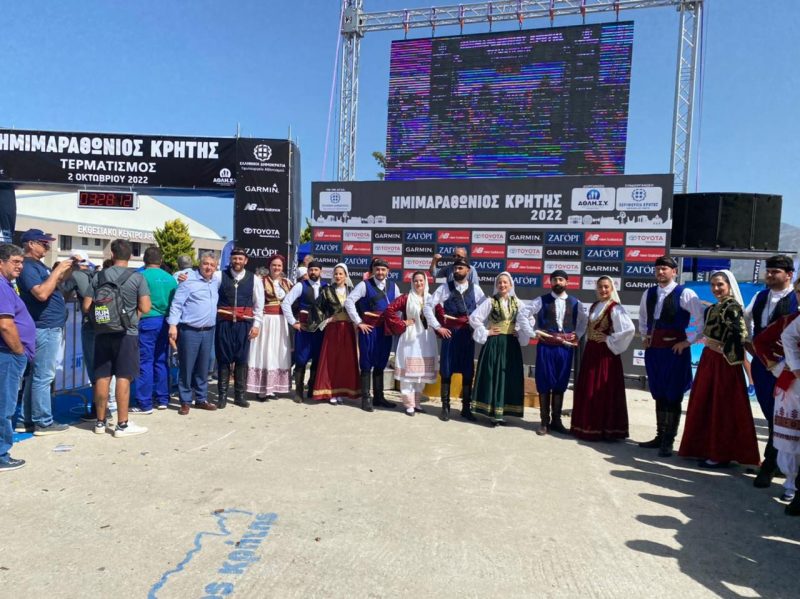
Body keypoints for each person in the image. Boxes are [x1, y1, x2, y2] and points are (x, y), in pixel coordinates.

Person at [678, 270, 760, 467]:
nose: (716, 288)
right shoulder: (715, 307)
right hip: (709, 360)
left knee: (721, 406)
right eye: (713, 285)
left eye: (720, 284)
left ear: (729, 285)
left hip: (723, 364)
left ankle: (720, 453)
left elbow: (740, 336)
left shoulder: (733, 307)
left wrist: (723, 350)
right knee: (706, 404)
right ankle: (705, 448)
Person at [637, 256, 705, 457]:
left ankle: (669, 440)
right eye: (658, 269)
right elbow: (643, 317)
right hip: (655, 350)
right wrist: (645, 336)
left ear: (674, 272)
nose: (660, 272)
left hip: (675, 351)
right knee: (658, 392)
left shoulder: (685, 293)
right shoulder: (649, 293)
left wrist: (687, 342)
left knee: (673, 394)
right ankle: (660, 435)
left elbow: (700, 321)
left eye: (664, 269)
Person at [84, 239, 151, 437]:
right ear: (130, 256)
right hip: (127, 333)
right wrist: (132, 317)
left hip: (102, 332)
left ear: (112, 254)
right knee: (124, 376)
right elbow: (146, 307)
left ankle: (100, 422)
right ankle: (122, 424)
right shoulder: (137, 278)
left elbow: (86, 306)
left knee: (102, 376)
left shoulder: (99, 276)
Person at [744, 255, 797, 487]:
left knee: (782, 415)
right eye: (768, 270)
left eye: (775, 271)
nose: (770, 274)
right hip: (762, 363)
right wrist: (749, 342)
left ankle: (771, 463)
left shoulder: (795, 298)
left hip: (788, 366)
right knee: (768, 410)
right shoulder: (760, 296)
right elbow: (746, 319)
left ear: (789, 275)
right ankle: (777, 461)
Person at [16, 228, 75, 435]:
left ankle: (26, 419)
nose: (47, 247)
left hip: (46, 325)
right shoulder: (28, 267)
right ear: (31, 244)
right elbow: (41, 293)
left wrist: (66, 271)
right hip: (45, 326)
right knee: (43, 376)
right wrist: (57, 271)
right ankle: (43, 421)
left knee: (36, 375)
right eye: (43, 243)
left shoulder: (36, 266)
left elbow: (52, 286)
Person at [520, 269, 588, 435]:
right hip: (546, 347)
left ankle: (556, 421)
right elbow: (522, 314)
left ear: (567, 282)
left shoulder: (575, 302)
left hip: (565, 348)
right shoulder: (541, 300)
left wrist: (578, 335)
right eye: (555, 280)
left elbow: (585, 321)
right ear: (550, 282)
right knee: (544, 382)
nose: (558, 282)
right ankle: (544, 421)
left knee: (560, 382)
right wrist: (532, 333)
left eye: (561, 280)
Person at [570, 276, 635, 441]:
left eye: (606, 287)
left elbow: (628, 330)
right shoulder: (594, 306)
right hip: (591, 351)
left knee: (603, 388)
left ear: (612, 288)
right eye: (600, 287)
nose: (603, 290)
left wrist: (609, 339)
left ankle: (605, 429)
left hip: (605, 354)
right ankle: (587, 426)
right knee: (589, 387)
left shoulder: (615, 308)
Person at [424, 258, 486, 421]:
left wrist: (478, 325)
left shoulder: (476, 289)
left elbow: (485, 308)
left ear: (468, 271)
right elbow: (427, 306)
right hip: (450, 334)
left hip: (467, 335)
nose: (457, 271)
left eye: (460, 268)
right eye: (455, 268)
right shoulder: (445, 287)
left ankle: (466, 408)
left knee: (467, 371)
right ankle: (445, 407)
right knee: (446, 369)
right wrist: (438, 327)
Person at [469, 272, 526, 426]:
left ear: (511, 285)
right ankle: (492, 412)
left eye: (505, 282)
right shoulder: (491, 301)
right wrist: (486, 332)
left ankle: (502, 412)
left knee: (507, 376)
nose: (502, 285)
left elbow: (529, 319)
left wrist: (519, 330)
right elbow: (474, 318)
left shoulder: (517, 303)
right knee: (493, 375)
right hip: (494, 343)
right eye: (499, 282)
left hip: (510, 344)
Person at [344, 258, 401, 412]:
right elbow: (349, 302)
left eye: (383, 270)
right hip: (369, 329)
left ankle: (379, 397)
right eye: (378, 269)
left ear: (388, 271)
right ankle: (366, 398)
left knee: (381, 362)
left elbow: (398, 306)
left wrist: (396, 323)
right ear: (373, 270)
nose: (380, 272)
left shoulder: (393, 286)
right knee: (366, 362)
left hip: (385, 330)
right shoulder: (365, 285)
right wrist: (358, 322)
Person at [167, 252, 219, 415]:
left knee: (204, 366)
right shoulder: (188, 280)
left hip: (208, 331)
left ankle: (201, 399)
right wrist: (173, 325)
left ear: (216, 267)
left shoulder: (215, 281)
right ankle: (185, 401)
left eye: (212, 265)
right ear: (199, 264)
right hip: (190, 330)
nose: (208, 267)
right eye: (205, 263)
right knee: (187, 367)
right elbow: (176, 304)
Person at [0, 244, 35, 471]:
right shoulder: (2, 287)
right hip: (8, 355)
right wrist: (19, 351)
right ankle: (1, 454)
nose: (20, 266)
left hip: (8, 354)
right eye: (15, 261)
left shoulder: (6, 285)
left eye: (21, 262)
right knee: (5, 405)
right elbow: (5, 324)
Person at [384, 271, 438, 416]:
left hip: (426, 338)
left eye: (421, 280)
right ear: (412, 283)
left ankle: (417, 403)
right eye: (416, 281)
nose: (419, 283)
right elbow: (389, 310)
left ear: (425, 281)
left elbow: (440, 315)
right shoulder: (406, 298)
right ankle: (409, 404)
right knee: (409, 373)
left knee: (421, 373)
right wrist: (402, 323)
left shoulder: (431, 298)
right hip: (410, 338)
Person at [215, 248, 263, 409]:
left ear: (246, 261)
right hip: (224, 323)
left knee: (242, 359)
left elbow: (259, 304)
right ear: (230, 259)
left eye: (240, 259)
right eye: (235, 258)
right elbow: (204, 282)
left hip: (244, 324)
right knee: (223, 359)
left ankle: (239, 396)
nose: (237, 261)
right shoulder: (219, 276)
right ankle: (222, 395)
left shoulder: (254, 279)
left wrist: (256, 325)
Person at [132, 247, 177, 414]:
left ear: (144, 259)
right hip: (166, 321)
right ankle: (163, 398)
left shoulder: (140, 276)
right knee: (161, 360)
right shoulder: (170, 278)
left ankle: (144, 402)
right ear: (161, 260)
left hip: (147, 320)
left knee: (145, 361)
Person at [309, 263, 360, 405]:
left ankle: (341, 392)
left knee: (345, 361)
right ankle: (331, 391)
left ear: (346, 275)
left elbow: (359, 308)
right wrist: (327, 319)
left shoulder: (352, 291)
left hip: (348, 329)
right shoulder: (327, 291)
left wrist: (356, 320)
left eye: (340, 274)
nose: (338, 276)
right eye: (336, 274)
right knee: (331, 360)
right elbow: (317, 308)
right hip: (333, 330)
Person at [247, 254, 293, 398]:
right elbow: (254, 300)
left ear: (283, 267)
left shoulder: (287, 283)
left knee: (277, 352)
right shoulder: (260, 281)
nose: (276, 268)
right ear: (269, 266)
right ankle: (261, 388)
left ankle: (272, 387)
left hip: (281, 321)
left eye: (279, 265)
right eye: (274, 265)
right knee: (265, 351)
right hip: (266, 320)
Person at [282, 260, 326, 403]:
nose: (313, 272)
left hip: (320, 330)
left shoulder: (326, 287)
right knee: (301, 360)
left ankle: (312, 389)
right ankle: (299, 392)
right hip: (304, 330)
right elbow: (286, 303)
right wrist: (293, 322)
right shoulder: (301, 285)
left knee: (317, 360)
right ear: (307, 271)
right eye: (311, 270)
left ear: (321, 272)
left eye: (316, 270)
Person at [773, 282, 800, 516]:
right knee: (791, 437)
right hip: (794, 385)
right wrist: (793, 366)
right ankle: (791, 484)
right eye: (799, 292)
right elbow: (783, 338)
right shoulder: (791, 320)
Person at [62, 250, 97, 419]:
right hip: (107, 325)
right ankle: (106, 406)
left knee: (93, 368)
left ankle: (98, 410)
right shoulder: (98, 274)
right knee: (105, 368)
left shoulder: (76, 276)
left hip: (90, 324)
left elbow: (63, 293)